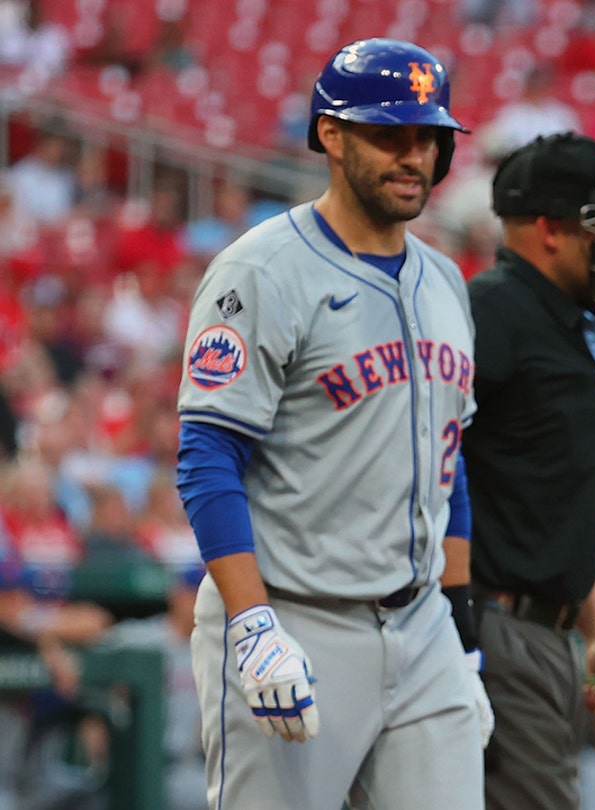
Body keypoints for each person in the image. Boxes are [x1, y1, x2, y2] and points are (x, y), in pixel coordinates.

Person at [174, 38, 493, 810]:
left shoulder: (445, 278)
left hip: (420, 628)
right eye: (390, 134)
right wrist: (251, 625)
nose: (412, 155)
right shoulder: (263, 269)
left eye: (428, 138)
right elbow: (208, 453)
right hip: (294, 620)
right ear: (331, 134)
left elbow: (447, 464)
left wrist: (462, 627)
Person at [461, 131, 595, 809]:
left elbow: (554, 503)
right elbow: (425, 469)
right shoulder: (491, 312)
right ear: (550, 229)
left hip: (545, 631)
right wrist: (459, 622)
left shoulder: (584, 321)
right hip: (492, 626)